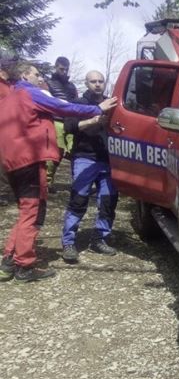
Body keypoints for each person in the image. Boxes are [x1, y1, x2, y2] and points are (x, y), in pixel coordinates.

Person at [0, 63, 117, 283]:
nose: (40, 78)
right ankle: (24, 266)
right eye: (36, 74)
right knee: (34, 213)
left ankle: (8, 263)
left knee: (26, 212)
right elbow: (63, 108)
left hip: (12, 161)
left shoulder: (8, 97)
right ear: (24, 75)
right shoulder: (28, 92)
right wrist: (98, 109)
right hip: (29, 159)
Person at [61, 71, 118, 261]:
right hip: (84, 157)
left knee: (109, 201)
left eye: (101, 81)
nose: (97, 84)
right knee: (78, 200)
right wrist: (92, 120)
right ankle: (68, 242)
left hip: (108, 159)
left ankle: (99, 239)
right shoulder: (79, 102)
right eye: (93, 81)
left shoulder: (112, 103)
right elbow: (69, 127)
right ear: (86, 83)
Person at [45, 56, 78, 189]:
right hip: (55, 121)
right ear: (56, 67)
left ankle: (78, 183)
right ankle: (47, 183)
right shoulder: (47, 83)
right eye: (61, 69)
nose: (64, 72)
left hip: (71, 122)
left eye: (66, 69)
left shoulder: (71, 86)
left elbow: (76, 103)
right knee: (54, 154)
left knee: (74, 152)